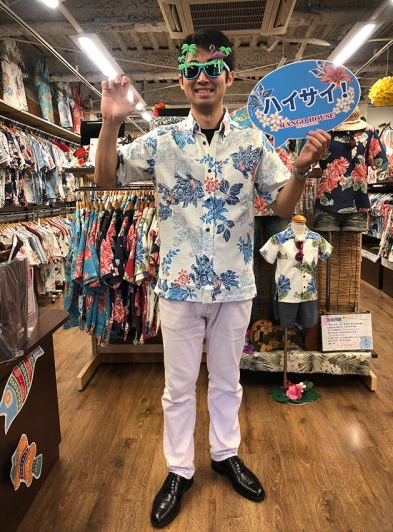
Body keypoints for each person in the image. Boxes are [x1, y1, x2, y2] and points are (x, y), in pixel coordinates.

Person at [95, 29, 330, 529]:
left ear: (229, 75)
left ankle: (225, 455)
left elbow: (280, 208)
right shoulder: (160, 142)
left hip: (234, 286)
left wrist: (301, 171)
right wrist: (111, 123)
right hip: (179, 288)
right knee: (177, 388)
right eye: (192, 69)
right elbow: (106, 179)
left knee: (228, 381)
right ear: (181, 79)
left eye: (212, 68)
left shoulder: (253, 142)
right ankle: (179, 469)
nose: (202, 77)